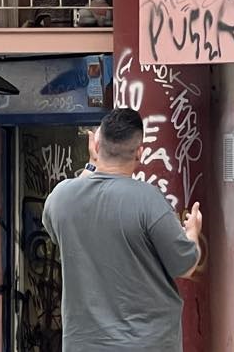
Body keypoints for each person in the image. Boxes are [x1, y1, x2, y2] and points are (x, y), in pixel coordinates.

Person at [43, 107, 203, 351]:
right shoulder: (148, 200)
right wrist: (192, 232)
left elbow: (55, 229)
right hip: (148, 344)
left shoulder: (61, 198)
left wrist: (92, 164)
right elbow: (186, 266)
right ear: (140, 152)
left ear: (97, 146)